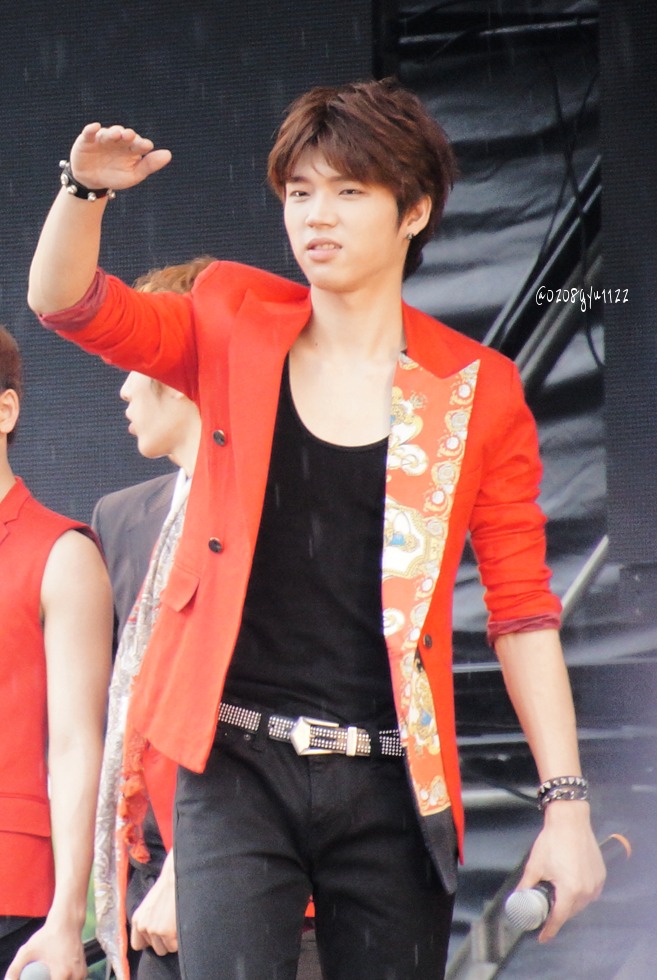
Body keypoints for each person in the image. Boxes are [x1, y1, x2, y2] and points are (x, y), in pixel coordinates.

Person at [27, 78, 605, 980]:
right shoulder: (232, 318)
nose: (316, 215)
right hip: (235, 765)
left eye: (347, 191)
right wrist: (84, 190)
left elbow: (523, 611)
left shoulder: (474, 390)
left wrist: (564, 808)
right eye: (298, 192)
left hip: (390, 779)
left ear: (413, 211)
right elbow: (70, 304)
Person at [91, 259, 210, 980]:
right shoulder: (121, 518)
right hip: (144, 864)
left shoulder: (277, 504)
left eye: (136, 362)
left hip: (249, 857)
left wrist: (193, 864)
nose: (124, 387)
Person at [0, 326, 112, 980]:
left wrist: (69, 913)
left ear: (5, 410)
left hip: (11, 888)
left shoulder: (61, 553)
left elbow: (76, 743)